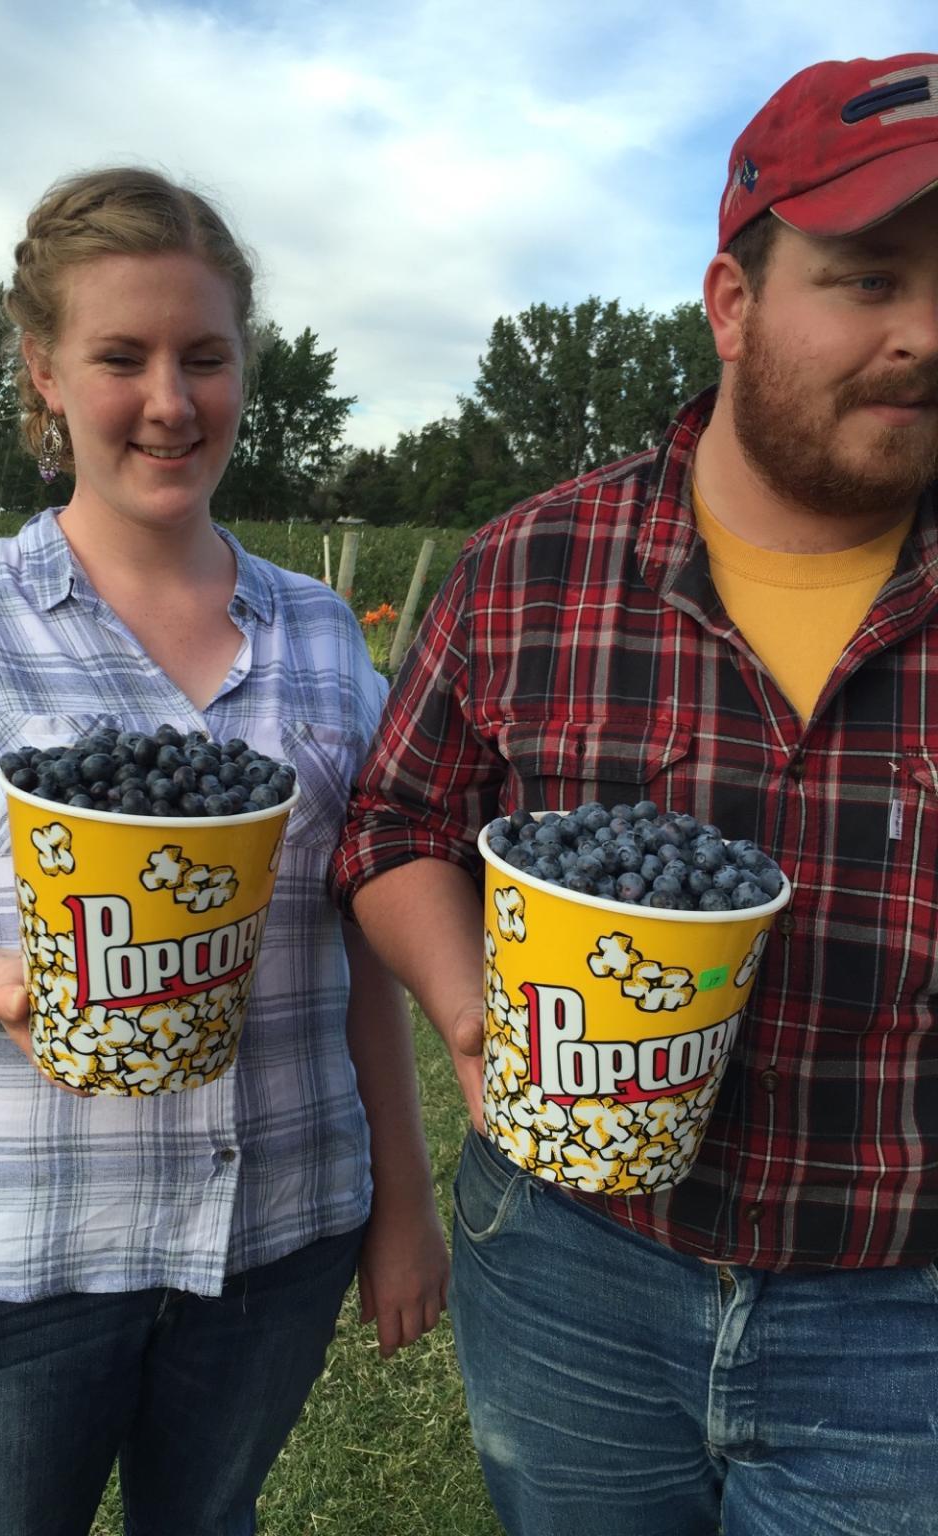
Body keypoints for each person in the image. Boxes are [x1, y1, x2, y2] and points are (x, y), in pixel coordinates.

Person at [331, 53, 938, 1536]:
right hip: (568, 1271)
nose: (925, 335)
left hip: (903, 1321)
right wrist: (472, 1015)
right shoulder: (531, 565)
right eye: (869, 278)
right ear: (732, 304)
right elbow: (396, 827)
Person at [0, 166, 448, 1536]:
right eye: (121, 357)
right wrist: (5, 988)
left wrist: (402, 1202)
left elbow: (360, 950)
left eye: (204, 357)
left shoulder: (325, 638)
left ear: (243, 370)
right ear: (44, 372)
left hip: (272, 1236)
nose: (171, 400)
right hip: (7, 1255)